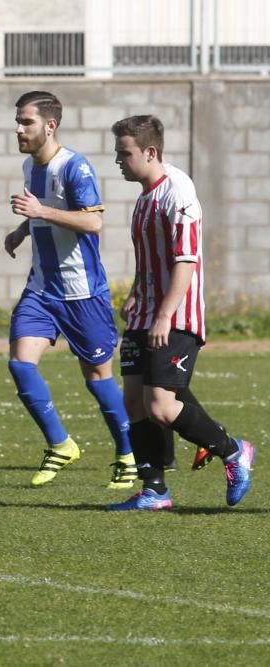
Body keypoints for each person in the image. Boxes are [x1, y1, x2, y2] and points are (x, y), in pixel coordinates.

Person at [107, 114, 255, 510]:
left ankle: (233, 450)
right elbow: (149, 261)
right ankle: (154, 491)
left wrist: (164, 315)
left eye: (124, 153)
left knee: (160, 404)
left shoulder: (179, 191)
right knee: (135, 403)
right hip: (147, 314)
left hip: (176, 316)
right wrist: (137, 294)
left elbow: (185, 261)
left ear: (150, 151)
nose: (118, 161)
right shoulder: (143, 198)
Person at [3, 90, 136, 489]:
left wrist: (39, 212)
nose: (18, 128)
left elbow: (93, 223)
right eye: (18, 120)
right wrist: (22, 230)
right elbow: (41, 210)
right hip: (42, 288)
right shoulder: (30, 167)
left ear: (50, 125)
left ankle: (128, 454)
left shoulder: (75, 167)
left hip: (82, 293)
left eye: (26, 121)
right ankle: (60, 444)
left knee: (97, 377)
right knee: (20, 363)